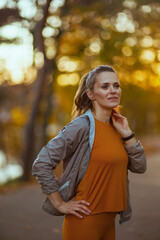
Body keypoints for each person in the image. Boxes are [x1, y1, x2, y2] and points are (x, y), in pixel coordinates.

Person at [32, 65, 146, 240]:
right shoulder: (81, 126)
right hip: (84, 221)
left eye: (116, 85)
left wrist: (127, 134)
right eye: (105, 86)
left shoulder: (117, 127)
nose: (113, 90)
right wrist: (60, 204)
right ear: (91, 94)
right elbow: (41, 163)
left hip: (109, 221)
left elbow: (140, 167)